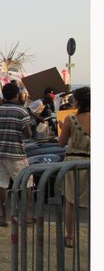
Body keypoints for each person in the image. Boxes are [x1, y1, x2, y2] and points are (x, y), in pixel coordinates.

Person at [0, 83, 33, 228]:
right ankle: (26, 216)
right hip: (17, 154)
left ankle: (4, 216)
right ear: (17, 95)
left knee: (2, 184)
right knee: (27, 184)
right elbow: (28, 133)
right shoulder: (22, 111)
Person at [58, 86, 90, 249]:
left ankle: (70, 237)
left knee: (70, 201)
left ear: (77, 101)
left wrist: (63, 128)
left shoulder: (71, 119)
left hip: (73, 162)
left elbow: (62, 142)